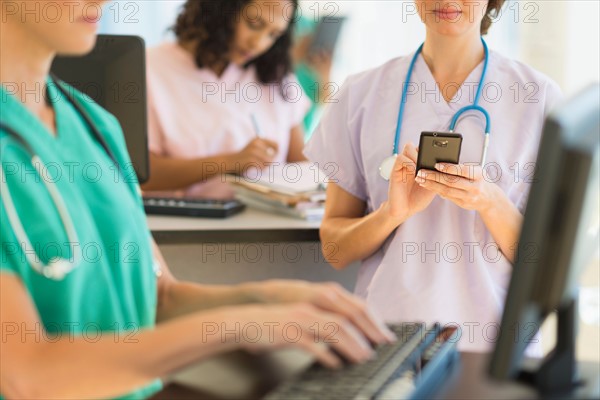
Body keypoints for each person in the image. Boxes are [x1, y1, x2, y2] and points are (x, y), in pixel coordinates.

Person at [0, 1, 394, 399]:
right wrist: (236, 326)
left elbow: (160, 298)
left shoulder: (96, 124)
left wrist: (269, 299)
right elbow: (27, 375)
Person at [305, 0, 562, 352]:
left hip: (493, 344)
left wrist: (488, 200)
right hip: (386, 339)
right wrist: (391, 214)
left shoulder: (538, 97)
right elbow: (335, 249)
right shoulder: (359, 94)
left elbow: (547, 260)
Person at [143, 0, 311, 198]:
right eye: (254, 24)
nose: (258, 43)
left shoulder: (275, 76)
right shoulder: (149, 68)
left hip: (268, 222)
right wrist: (228, 163)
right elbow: (145, 175)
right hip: (185, 224)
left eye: (273, 34)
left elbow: (301, 168)